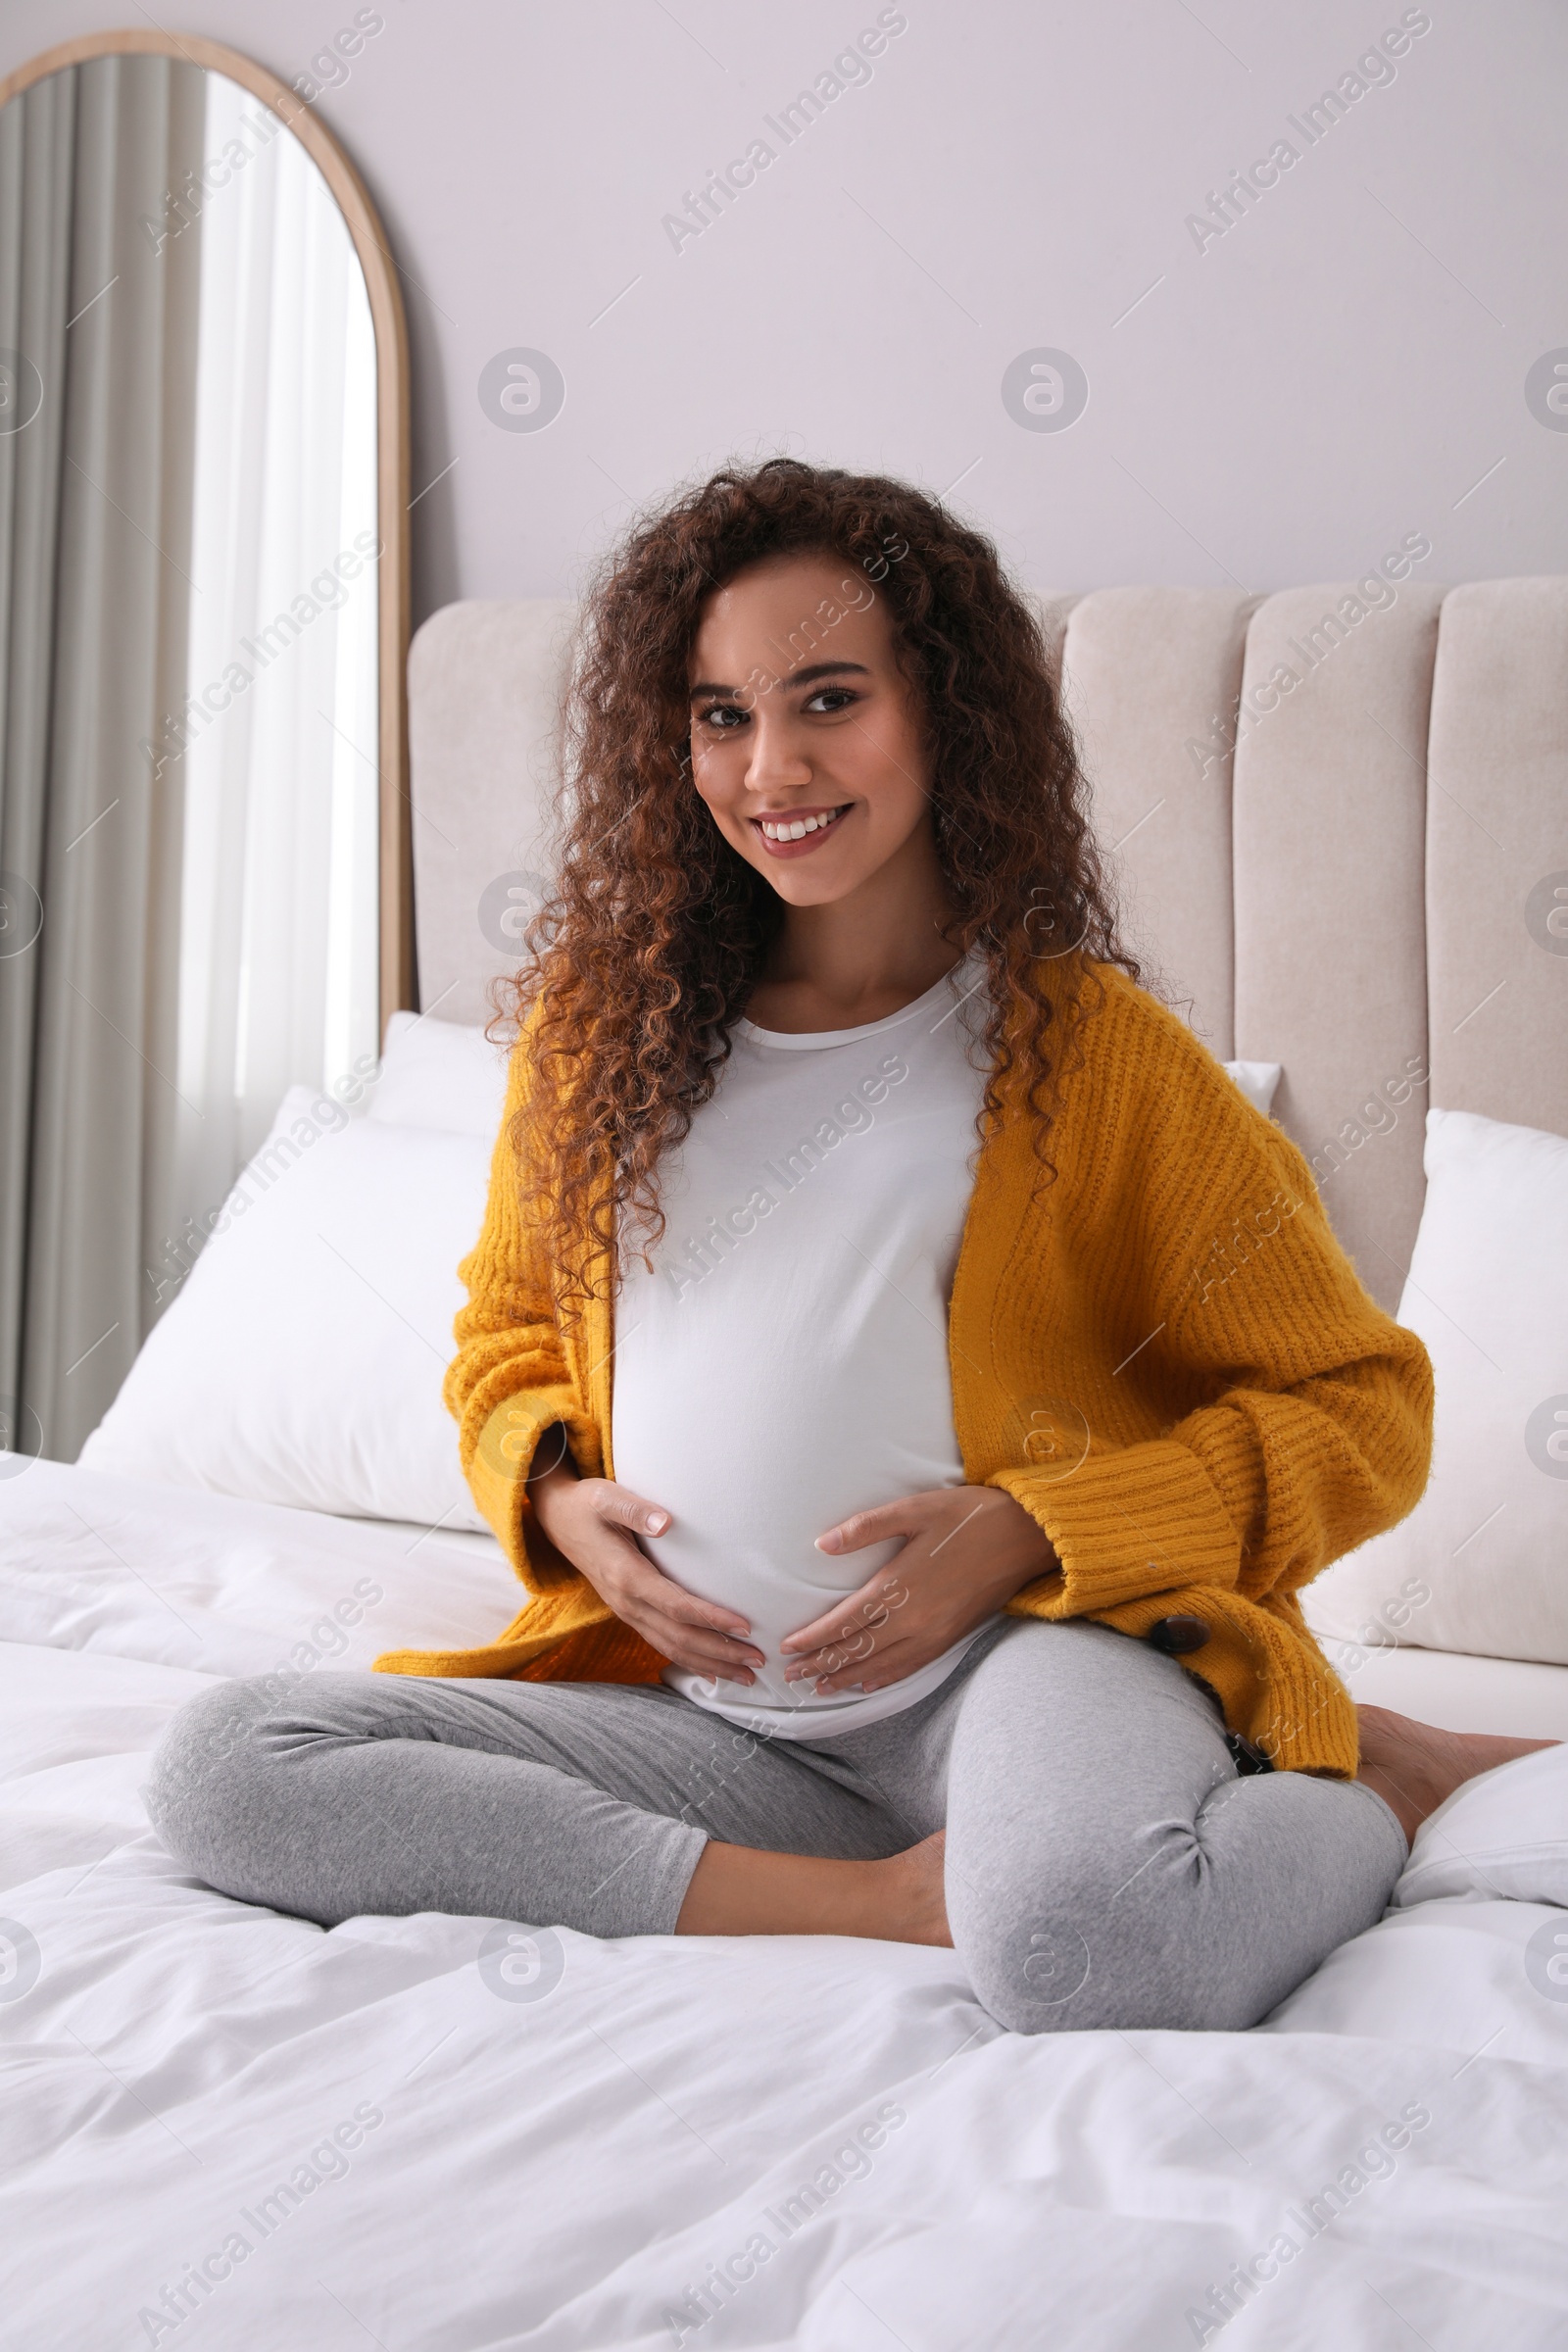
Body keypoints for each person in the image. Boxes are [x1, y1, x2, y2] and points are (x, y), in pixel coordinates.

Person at [148, 460, 1548, 2034]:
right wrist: (550, 1494)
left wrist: (1030, 1527)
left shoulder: (1092, 1055)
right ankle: (882, 1897)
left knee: (1100, 1950)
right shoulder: (602, 1044)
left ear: (943, 711)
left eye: (829, 699)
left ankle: (1363, 1775)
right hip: (718, 1719)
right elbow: (506, 1338)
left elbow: (1362, 1406)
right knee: (231, 1770)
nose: (773, 765)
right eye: (721, 715)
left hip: (1026, 1668)